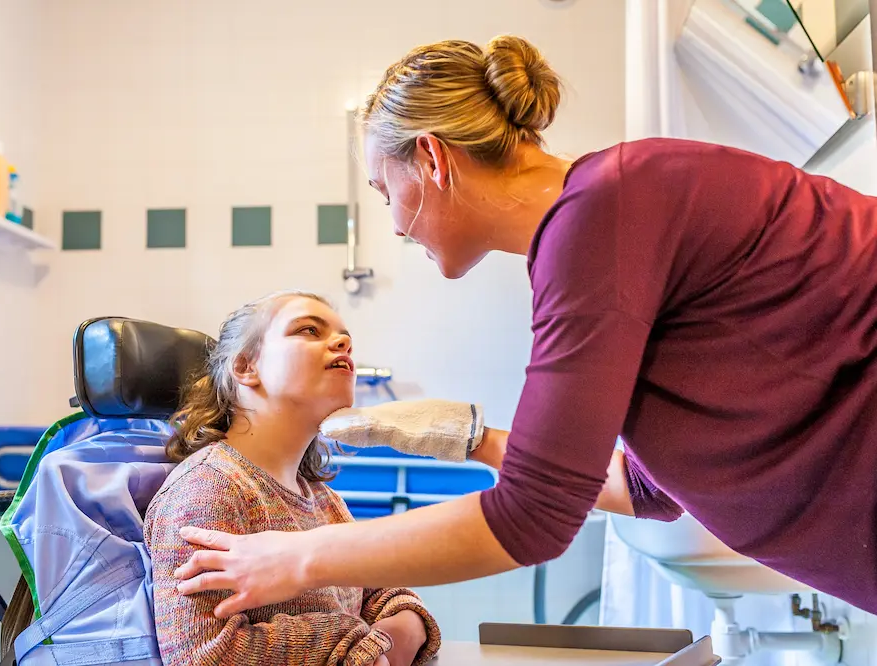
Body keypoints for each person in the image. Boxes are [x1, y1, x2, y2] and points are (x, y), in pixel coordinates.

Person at [171, 36, 877, 615]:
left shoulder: (603, 216)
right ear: (243, 370)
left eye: (387, 192)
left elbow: (535, 517)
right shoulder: (600, 218)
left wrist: (292, 559)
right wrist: (474, 440)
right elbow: (651, 488)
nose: (391, 222)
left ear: (433, 158)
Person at [144, 290, 442, 666]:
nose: (344, 342)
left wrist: (401, 628)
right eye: (308, 330)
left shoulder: (321, 498)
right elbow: (205, 656)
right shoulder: (209, 489)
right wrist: (355, 645)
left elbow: (381, 594)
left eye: (344, 336)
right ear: (246, 368)